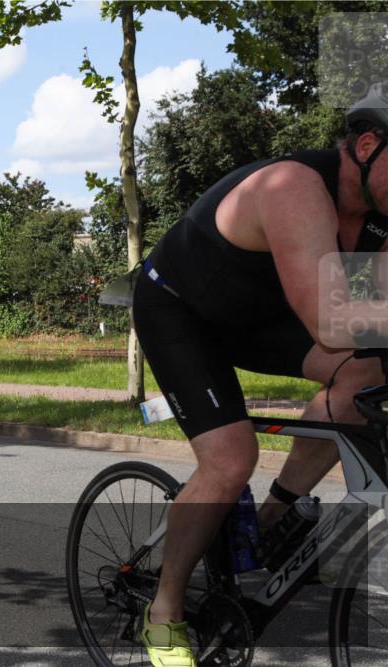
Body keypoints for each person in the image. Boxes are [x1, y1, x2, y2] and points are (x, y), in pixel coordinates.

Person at [133, 84, 388, 666]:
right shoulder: (293, 187)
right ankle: (165, 611)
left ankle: (273, 517)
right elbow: (331, 319)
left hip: (259, 316)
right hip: (181, 309)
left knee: (364, 375)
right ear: (369, 145)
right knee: (229, 459)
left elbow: (371, 325)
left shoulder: (377, 222)